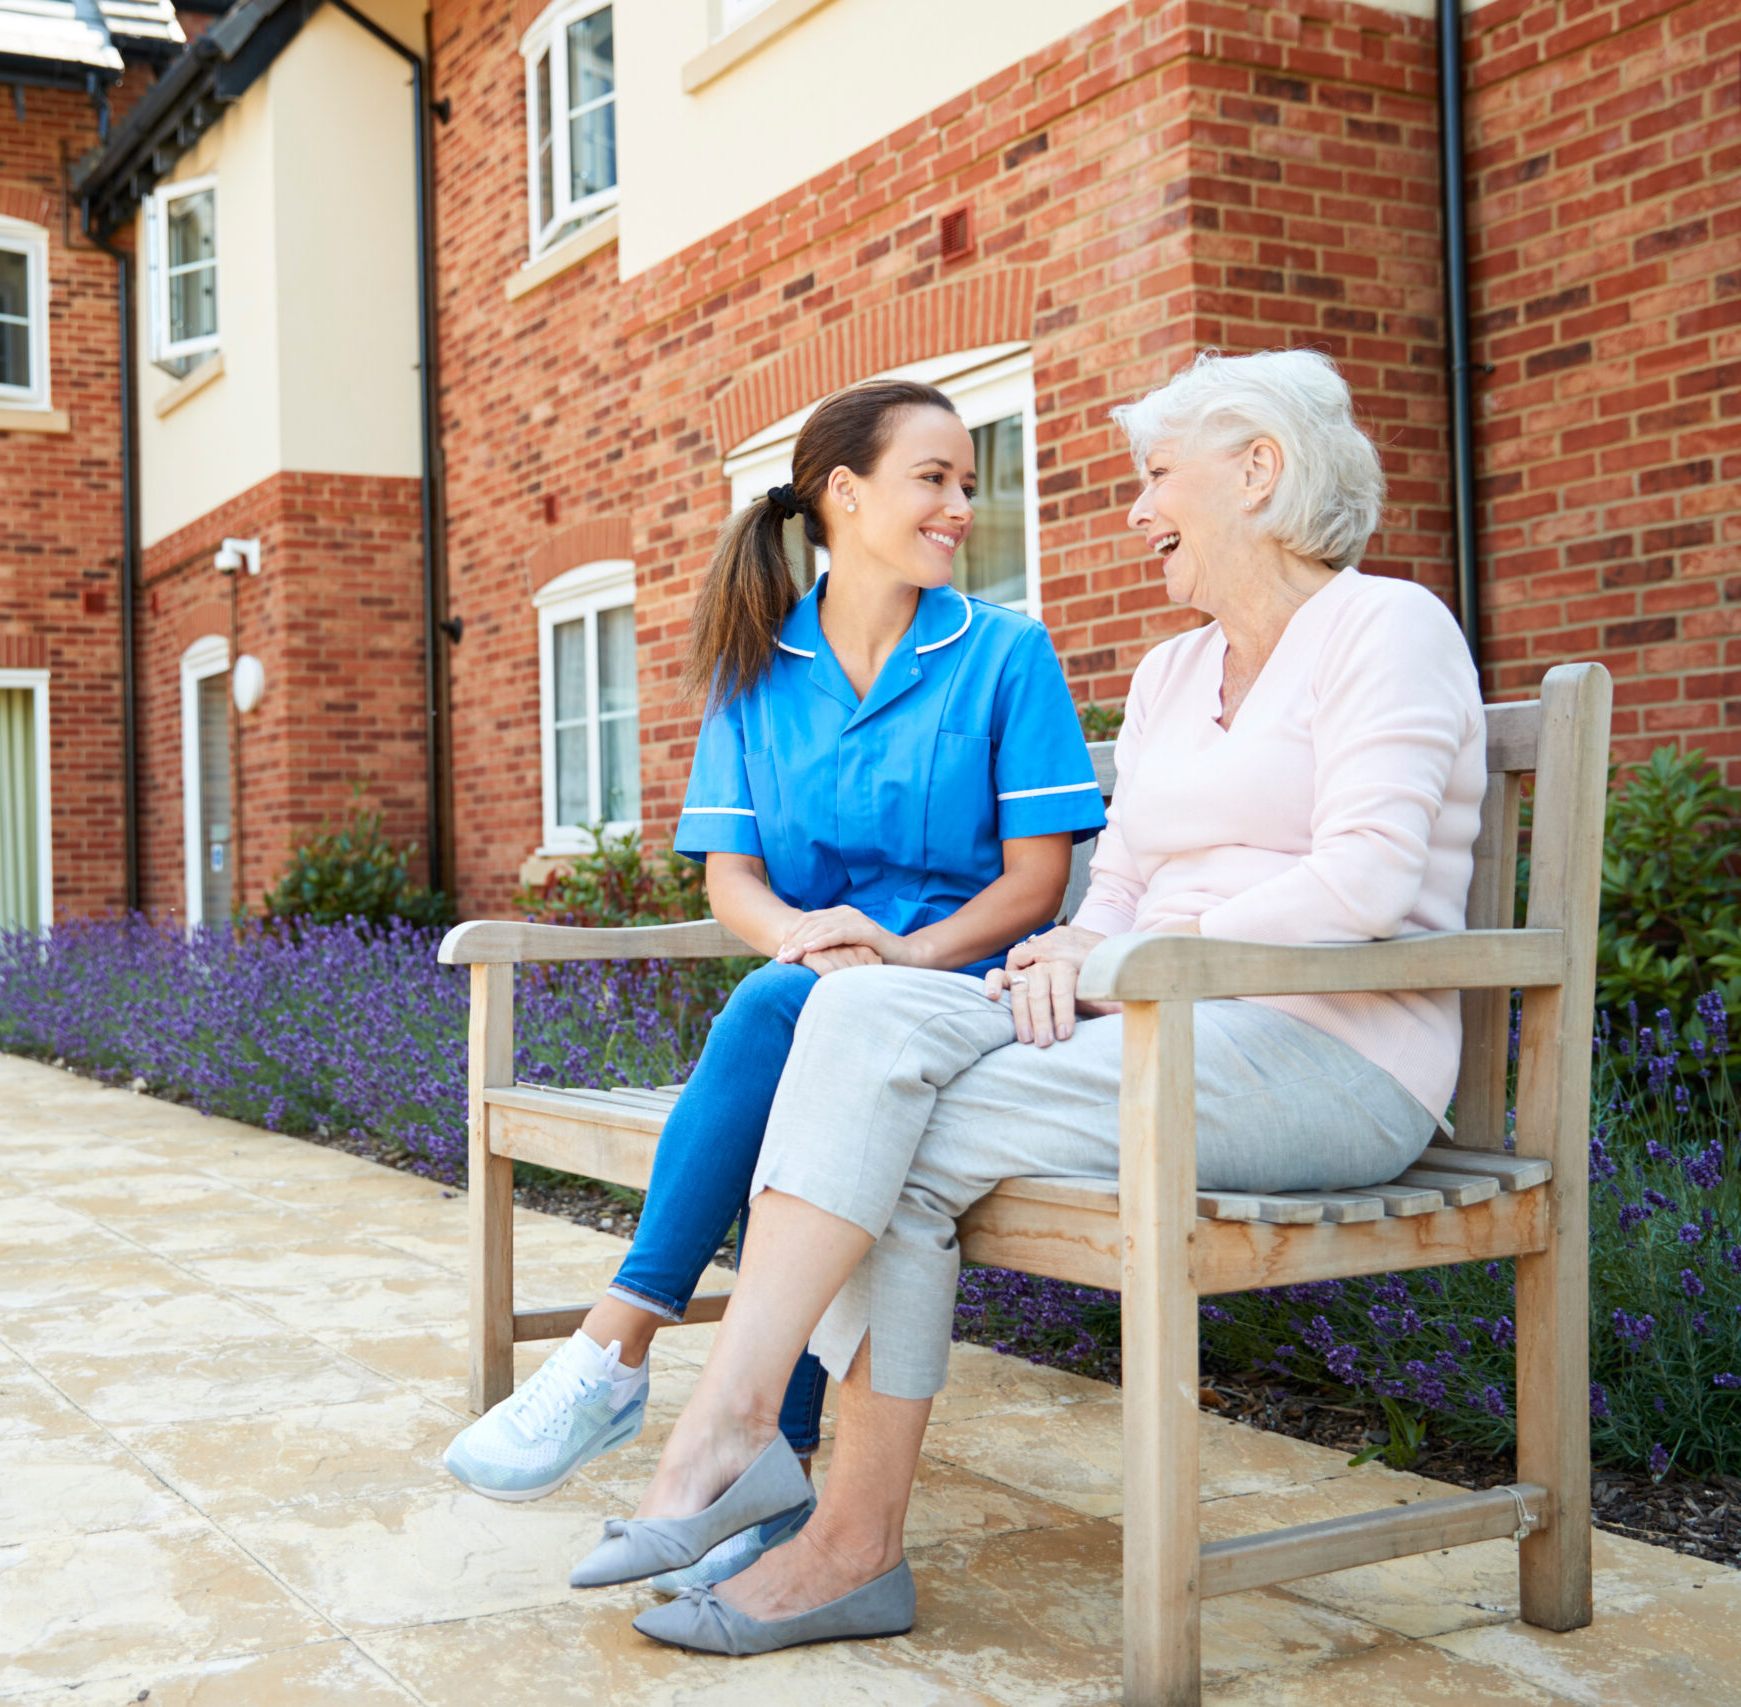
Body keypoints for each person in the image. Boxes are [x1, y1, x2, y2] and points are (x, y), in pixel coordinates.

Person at [574, 347, 1487, 1656]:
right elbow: (1115, 885)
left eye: (1155, 479)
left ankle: (798, 1495)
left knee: (889, 1136)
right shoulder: (1178, 672)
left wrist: (1106, 963)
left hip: (1327, 1053)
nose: (1134, 510)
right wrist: (1075, 950)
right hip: (1150, 1024)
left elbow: (1364, 876)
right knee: (852, 1015)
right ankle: (762, 1453)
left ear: (1259, 472)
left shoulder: (1386, 626)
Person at [442, 378, 1106, 1594]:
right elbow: (731, 879)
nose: (961, 504)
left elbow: (1036, 885)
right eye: (935, 478)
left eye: (969, 482)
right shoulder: (758, 667)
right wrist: (806, 938)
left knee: (775, 1019)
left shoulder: (1004, 651)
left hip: (962, 1001)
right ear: (844, 494)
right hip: (822, 998)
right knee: (794, 1033)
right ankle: (771, 1472)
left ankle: (615, 1347)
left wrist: (897, 957)